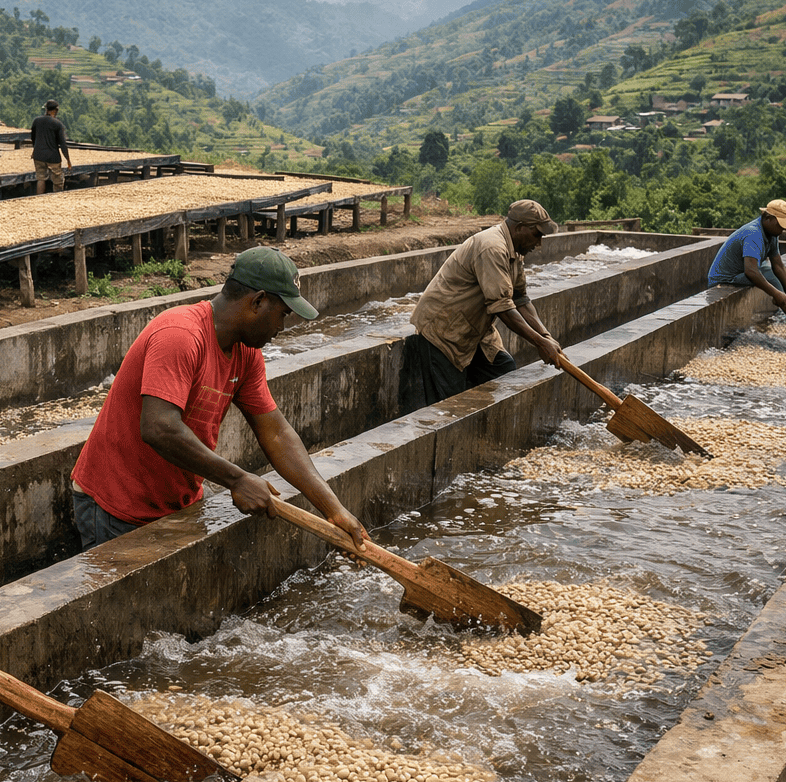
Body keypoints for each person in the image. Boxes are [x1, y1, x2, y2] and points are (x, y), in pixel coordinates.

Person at [69, 246, 367, 551]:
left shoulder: (246, 354)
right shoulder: (180, 334)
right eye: (283, 314)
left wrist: (334, 510)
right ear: (258, 302)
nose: (281, 327)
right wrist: (237, 480)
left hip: (176, 500)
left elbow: (275, 433)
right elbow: (159, 427)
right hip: (117, 505)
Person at [399, 199, 568, 412]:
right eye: (537, 235)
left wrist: (546, 337)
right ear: (519, 228)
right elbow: (503, 308)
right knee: (450, 406)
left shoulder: (515, 251)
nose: (539, 243)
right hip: (445, 330)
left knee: (503, 370)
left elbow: (520, 299)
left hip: (475, 331)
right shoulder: (492, 247)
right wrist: (539, 343)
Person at [707, 198, 786, 309]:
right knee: (767, 274)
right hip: (724, 280)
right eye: (780, 225)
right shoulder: (753, 233)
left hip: (740, 275)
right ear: (768, 218)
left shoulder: (772, 234)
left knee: (771, 275)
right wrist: (776, 294)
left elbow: (778, 266)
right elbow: (751, 271)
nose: (782, 229)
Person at [31, 99, 72, 194]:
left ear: (46, 109)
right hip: (53, 157)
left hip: (38, 155)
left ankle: (39, 198)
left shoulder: (37, 121)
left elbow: (33, 138)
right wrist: (68, 160)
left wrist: (34, 151)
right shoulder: (57, 124)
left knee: (41, 179)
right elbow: (63, 144)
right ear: (55, 110)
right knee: (58, 181)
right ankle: (56, 198)